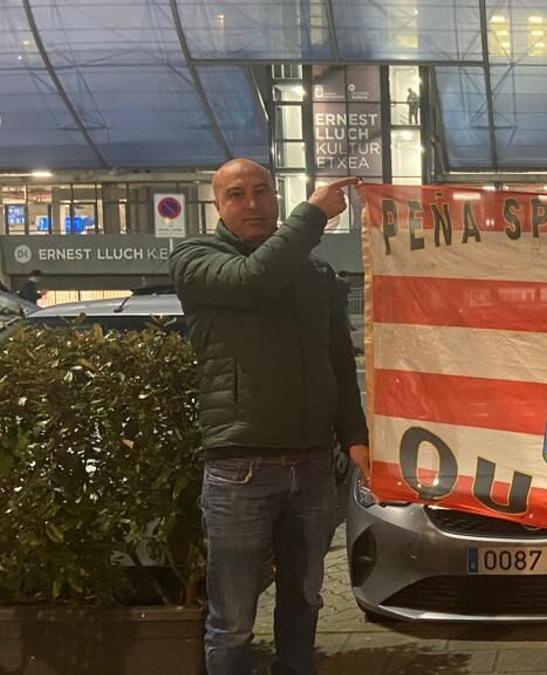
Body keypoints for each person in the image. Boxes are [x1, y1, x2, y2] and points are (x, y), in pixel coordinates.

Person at [169, 159, 369, 675]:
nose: (252, 203)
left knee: (304, 603)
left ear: (275, 197)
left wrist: (353, 435)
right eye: (237, 194)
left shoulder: (315, 273)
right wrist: (313, 215)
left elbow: (338, 363)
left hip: (312, 466)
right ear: (218, 205)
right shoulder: (195, 258)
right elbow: (252, 280)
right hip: (239, 468)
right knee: (232, 619)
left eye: (262, 191)